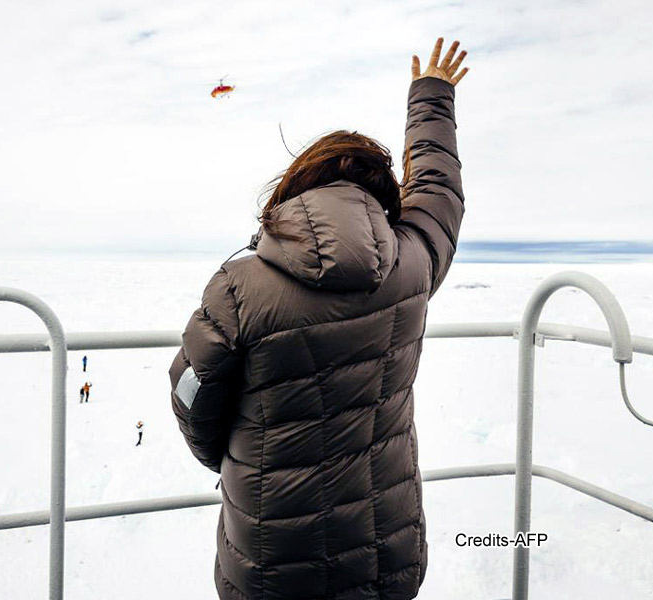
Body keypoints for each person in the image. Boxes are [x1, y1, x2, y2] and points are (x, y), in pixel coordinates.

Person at [168, 38, 469, 600]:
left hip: (269, 562)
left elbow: (190, 394)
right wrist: (431, 98)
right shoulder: (412, 266)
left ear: (295, 186)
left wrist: (237, 460)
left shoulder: (238, 286)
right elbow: (438, 191)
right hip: (387, 551)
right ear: (384, 197)